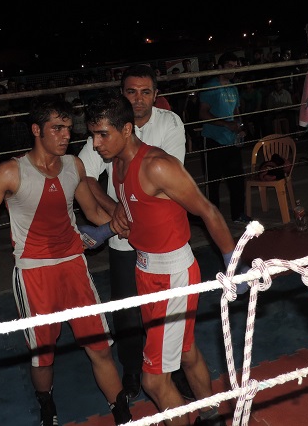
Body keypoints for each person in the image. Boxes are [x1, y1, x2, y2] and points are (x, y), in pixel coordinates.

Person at [0, 100, 131, 426]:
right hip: (34, 273)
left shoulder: (73, 165)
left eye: (68, 128)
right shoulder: (11, 172)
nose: (66, 135)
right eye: (57, 128)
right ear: (36, 130)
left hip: (74, 266)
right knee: (43, 356)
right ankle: (46, 404)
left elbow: (93, 214)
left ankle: (123, 415)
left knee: (99, 347)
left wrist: (124, 223)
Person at [85, 95, 242, 426]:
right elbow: (98, 187)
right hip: (145, 269)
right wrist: (108, 222)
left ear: (126, 129)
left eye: (102, 134)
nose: (96, 144)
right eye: (93, 135)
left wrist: (233, 264)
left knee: (154, 381)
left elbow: (208, 210)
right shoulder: (117, 165)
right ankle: (213, 416)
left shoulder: (157, 165)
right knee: (185, 351)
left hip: (173, 274)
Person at [78, 64, 187, 400]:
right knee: (127, 309)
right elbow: (81, 173)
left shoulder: (169, 123)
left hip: (161, 238)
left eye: (145, 92)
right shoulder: (106, 125)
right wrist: (114, 210)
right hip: (124, 238)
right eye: (131, 92)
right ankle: (131, 369)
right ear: (121, 94)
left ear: (156, 95)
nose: (138, 99)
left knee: (169, 310)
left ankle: (172, 369)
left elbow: (171, 182)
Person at [199, 52, 249, 224]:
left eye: (235, 66)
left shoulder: (233, 88)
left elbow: (236, 112)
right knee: (213, 182)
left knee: (237, 179)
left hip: (231, 140)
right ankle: (212, 218)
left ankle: (238, 214)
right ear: (220, 67)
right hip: (213, 139)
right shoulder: (210, 87)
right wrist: (226, 124)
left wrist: (240, 127)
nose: (233, 70)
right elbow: (203, 113)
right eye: (229, 66)